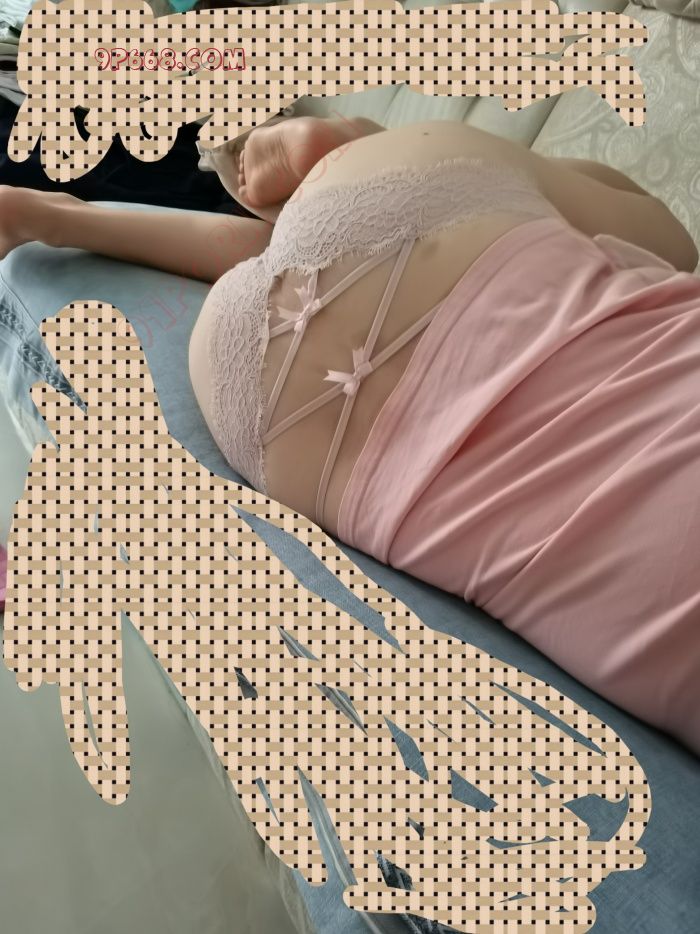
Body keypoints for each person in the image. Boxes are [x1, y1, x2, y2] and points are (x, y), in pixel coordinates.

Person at [1, 115, 699, 754]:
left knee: (645, 234)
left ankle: (316, 179)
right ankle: (72, 217)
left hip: (415, 247)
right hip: (287, 425)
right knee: (309, 271)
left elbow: (672, 246)